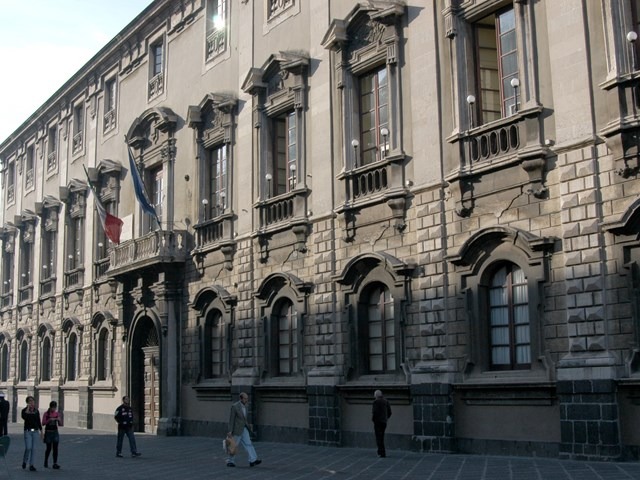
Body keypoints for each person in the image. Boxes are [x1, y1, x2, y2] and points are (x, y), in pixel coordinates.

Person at [226, 392, 261, 468]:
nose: (246, 400)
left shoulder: (246, 406)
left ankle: (253, 460)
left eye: (247, 398)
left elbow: (244, 418)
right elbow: (231, 419)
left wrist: (248, 426)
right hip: (236, 429)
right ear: (241, 398)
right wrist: (230, 431)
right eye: (245, 398)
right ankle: (230, 461)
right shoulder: (235, 407)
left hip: (244, 428)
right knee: (233, 446)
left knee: (249, 443)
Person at [21, 396, 42, 471]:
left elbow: (38, 421)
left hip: (35, 431)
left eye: (33, 401)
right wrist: (28, 408)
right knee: (28, 447)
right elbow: (24, 417)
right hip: (28, 431)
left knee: (33, 449)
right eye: (30, 401)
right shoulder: (24, 410)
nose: (32, 403)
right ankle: (24, 461)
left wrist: (41, 431)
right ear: (27, 402)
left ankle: (31, 465)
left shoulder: (36, 411)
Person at [42, 401, 63, 469]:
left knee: (55, 448)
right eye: (53, 408)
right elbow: (43, 423)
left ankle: (55, 463)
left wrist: (59, 420)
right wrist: (49, 420)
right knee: (48, 448)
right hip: (48, 432)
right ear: (50, 407)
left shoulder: (57, 414)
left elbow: (60, 424)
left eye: (55, 408)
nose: (54, 409)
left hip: (55, 432)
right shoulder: (46, 414)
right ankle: (46, 461)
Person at [371, 389, 392, 458]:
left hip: (378, 422)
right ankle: (382, 452)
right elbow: (390, 412)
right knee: (382, 437)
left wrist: (373, 420)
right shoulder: (386, 401)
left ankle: (381, 452)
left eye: (374, 395)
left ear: (376, 395)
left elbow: (374, 412)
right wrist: (386, 418)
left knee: (378, 438)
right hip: (384, 422)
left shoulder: (376, 402)